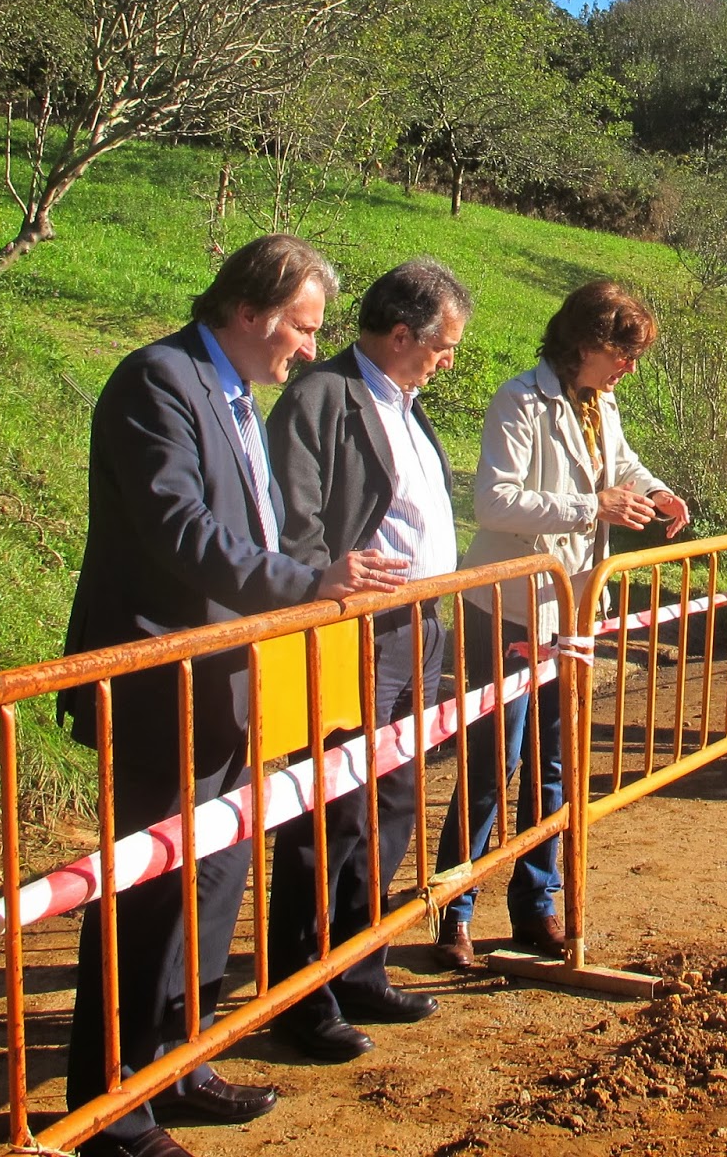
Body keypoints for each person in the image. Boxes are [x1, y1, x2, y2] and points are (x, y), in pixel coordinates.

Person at [58, 235, 408, 1157]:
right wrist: (310, 585)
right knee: (146, 895)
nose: (308, 347)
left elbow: (251, 527)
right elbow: (181, 532)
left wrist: (308, 585)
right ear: (250, 312)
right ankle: (111, 1109)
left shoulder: (236, 395)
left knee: (211, 882)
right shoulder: (157, 382)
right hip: (157, 684)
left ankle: (181, 1059)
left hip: (230, 686)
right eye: (301, 327)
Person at [431, 280, 689, 966]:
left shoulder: (598, 403)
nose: (629, 370)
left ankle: (534, 905)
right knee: (490, 764)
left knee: (552, 766)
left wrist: (656, 492)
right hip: (508, 609)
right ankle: (454, 909)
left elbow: (621, 465)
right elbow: (495, 502)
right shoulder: (519, 399)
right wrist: (590, 506)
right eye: (621, 354)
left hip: (570, 612)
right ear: (584, 343)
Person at [264, 260, 472, 1063]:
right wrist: (326, 606)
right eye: (442, 346)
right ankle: (301, 995)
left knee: (393, 802)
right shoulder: (321, 398)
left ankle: (361, 965)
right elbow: (297, 519)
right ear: (399, 336)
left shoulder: (406, 407)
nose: (447, 359)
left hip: (417, 628)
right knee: (329, 815)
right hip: (352, 631)